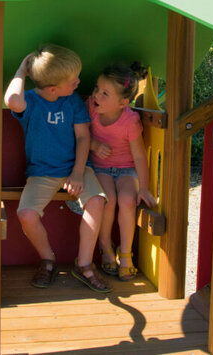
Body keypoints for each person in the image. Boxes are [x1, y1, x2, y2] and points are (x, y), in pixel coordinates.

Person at [3, 44, 110, 293]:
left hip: (76, 168)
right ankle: (48, 259)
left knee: (96, 201)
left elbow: (83, 138)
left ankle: (83, 264)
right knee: (26, 215)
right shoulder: (30, 101)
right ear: (53, 89)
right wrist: (22, 70)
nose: (78, 83)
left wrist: (77, 172)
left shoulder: (72, 101)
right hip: (42, 173)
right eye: (73, 81)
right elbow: (12, 100)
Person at [87, 63, 157, 281]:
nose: (97, 95)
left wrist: (144, 188)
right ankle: (105, 245)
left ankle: (125, 254)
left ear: (123, 103)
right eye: (97, 88)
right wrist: (94, 145)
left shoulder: (130, 120)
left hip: (126, 169)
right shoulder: (90, 107)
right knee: (108, 199)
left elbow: (138, 156)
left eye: (105, 93)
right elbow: (78, 133)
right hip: (100, 167)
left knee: (127, 200)